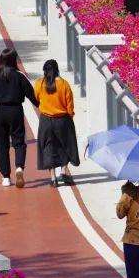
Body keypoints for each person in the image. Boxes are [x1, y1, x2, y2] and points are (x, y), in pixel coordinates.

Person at [0, 48, 37, 188]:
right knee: (19, 142)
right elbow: (32, 95)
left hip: (0, 112)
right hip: (16, 110)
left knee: (2, 145)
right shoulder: (20, 76)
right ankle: (19, 167)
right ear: (14, 60)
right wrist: (41, 106)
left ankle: (6, 177)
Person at [33, 59, 79, 187]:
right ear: (57, 70)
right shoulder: (64, 84)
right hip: (63, 119)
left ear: (44, 71)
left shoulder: (40, 83)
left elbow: (35, 98)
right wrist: (70, 117)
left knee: (48, 147)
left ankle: (53, 178)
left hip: (46, 120)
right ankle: (64, 171)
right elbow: (70, 106)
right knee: (66, 145)